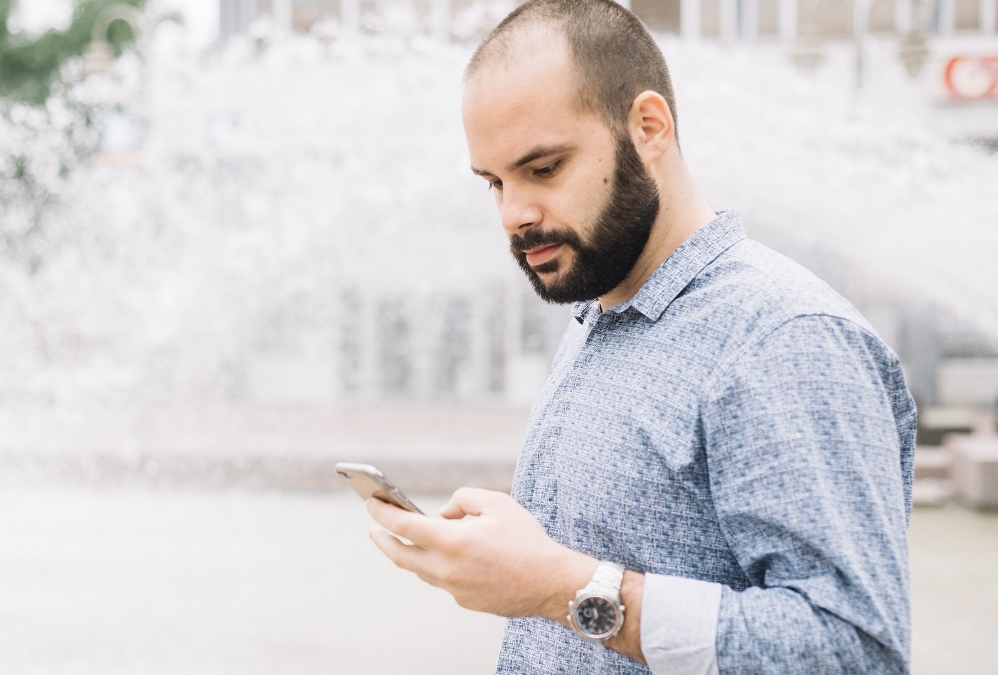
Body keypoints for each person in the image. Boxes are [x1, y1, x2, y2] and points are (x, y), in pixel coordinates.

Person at [365, 0, 917, 672]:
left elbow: (855, 651)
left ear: (650, 127)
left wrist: (556, 586)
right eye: (495, 182)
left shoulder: (783, 339)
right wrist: (519, 557)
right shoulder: (601, 312)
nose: (515, 213)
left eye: (544, 169)